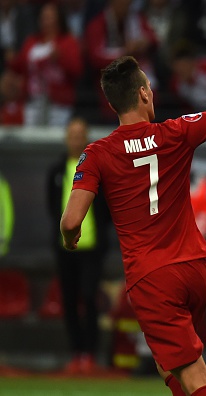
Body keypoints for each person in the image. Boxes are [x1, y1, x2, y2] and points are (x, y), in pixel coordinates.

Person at [60, 15, 206, 396]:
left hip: (152, 277)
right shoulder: (176, 132)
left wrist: (69, 236)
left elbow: (71, 218)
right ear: (143, 94)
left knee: (192, 374)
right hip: (194, 269)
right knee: (168, 364)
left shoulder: (97, 154)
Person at [47, 117, 111, 374]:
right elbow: (52, 207)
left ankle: (90, 355)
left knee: (89, 297)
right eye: (72, 135)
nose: (75, 139)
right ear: (66, 138)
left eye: (80, 134)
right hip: (65, 249)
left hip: (92, 249)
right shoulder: (57, 171)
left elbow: (105, 208)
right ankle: (76, 353)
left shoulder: (97, 166)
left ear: (86, 137)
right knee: (70, 301)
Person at [9, 2, 83, 126]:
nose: (46, 21)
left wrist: (60, 58)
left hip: (59, 104)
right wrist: (11, 62)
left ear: (59, 19)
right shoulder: (32, 42)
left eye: (50, 17)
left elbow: (77, 70)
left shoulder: (68, 42)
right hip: (33, 101)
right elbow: (20, 66)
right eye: (43, 17)